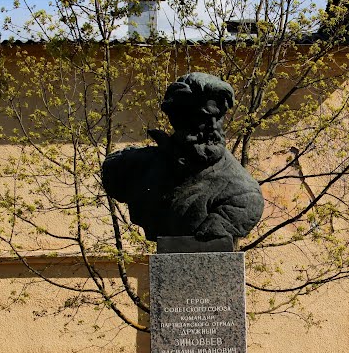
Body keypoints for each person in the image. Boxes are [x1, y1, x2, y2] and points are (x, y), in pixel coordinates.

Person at [101, 72, 264, 242]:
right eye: (204, 117)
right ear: (178, 118)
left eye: (219, 117)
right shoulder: (130, 167)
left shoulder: (243, 194)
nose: (213, 126)